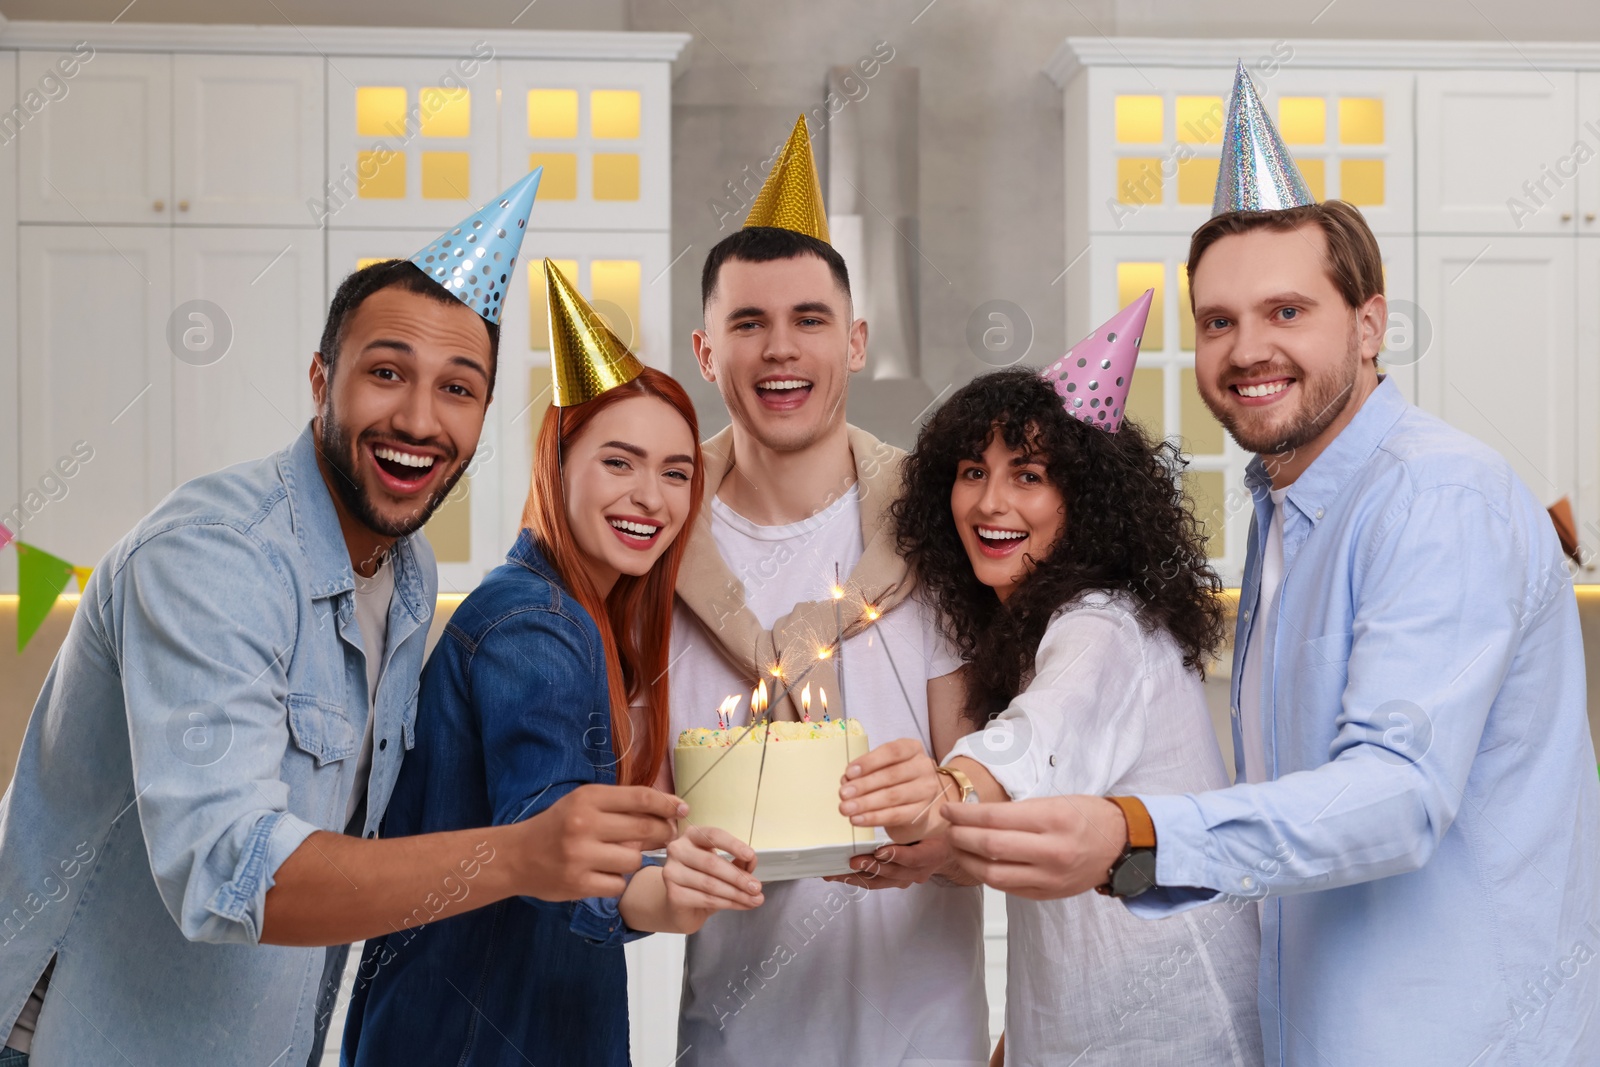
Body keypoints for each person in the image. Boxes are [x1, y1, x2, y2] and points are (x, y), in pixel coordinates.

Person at [933, 66, 1600, 1065]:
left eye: (1287, 311)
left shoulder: (1435, 497)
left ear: (1367, 326)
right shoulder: (1285, 513)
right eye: (1218, 321)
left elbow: (1396, 794)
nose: (1248, 348)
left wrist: (1132, 833)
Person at [0, 173, 684, 1066]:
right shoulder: (212, 556)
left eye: (458, 389)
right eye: (387, 372)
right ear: (322, 378)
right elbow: (228, 871)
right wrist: (517, 856)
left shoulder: (406, 573)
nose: (417, 418)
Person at [343, 264, 762, 1067]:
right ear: (559, 463)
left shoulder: (571, 614)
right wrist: (663, 895)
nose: (651, 496)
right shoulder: (535, 623)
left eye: (677, 473)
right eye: (619, 462)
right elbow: (549, 832)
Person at [842, 320, 1263, 1063]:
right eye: (972, 471)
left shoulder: (1101, 624)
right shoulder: (1028, 637)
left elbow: (1028, 744)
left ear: (1087, 500)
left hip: (1173, 1034)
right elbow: (1054, 847)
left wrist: (942, 787)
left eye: (1028, 476)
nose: (990, 502)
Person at [668, 116, 989, 1065]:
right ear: (704, 350)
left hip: (920, 1034)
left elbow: (984, 797)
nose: (780, 349)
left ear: (853, 341)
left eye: (809, 320)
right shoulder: (653, 551)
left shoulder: (939, 536)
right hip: (732, 1034)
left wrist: (935, 802)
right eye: (748, 323)